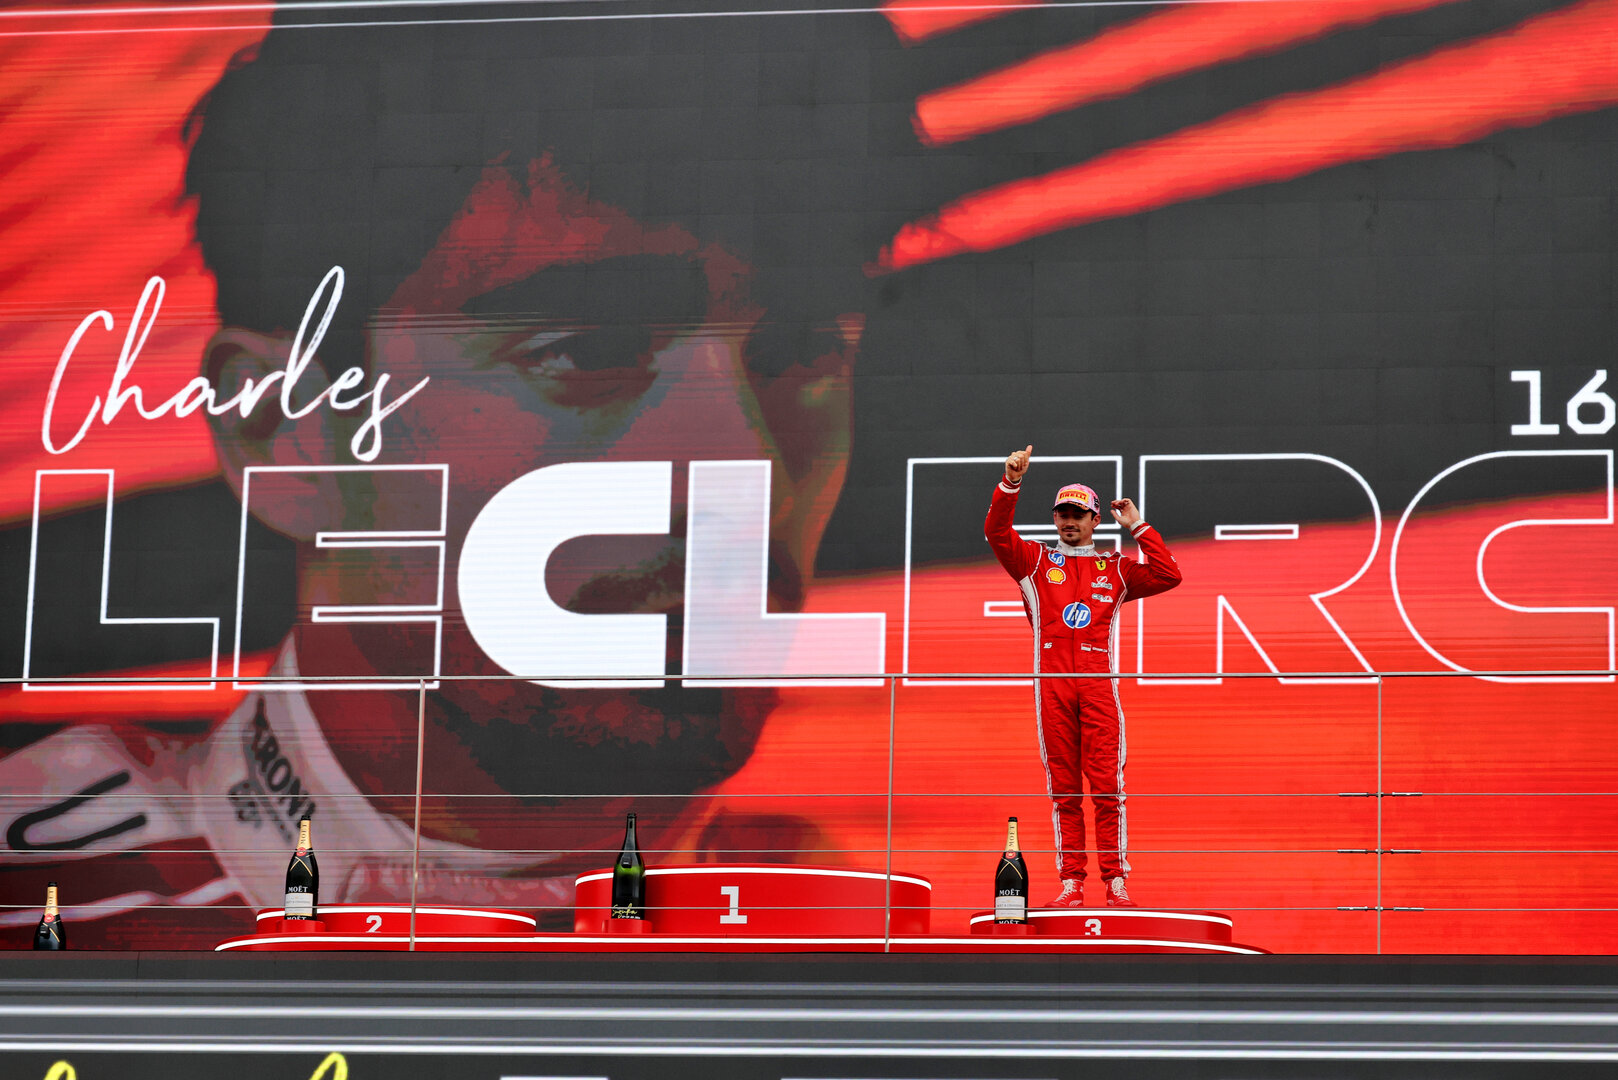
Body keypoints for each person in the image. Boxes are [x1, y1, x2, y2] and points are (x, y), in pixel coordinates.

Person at [985, 444, 1182, 908]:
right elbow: (996, 531)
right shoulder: (1033, 562)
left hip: (1098, 685)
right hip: (1052, 685)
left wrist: (1137, 526)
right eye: (1062, 514)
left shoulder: (1115, 568)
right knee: (1064, 789)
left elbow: (1169, 574)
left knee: (1108, 788)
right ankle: (1071, 882)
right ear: (1054, 519)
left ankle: (1116, 883)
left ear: (1095, 520)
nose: (1069, 521)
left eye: (1078, 514)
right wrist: (1011, 483)